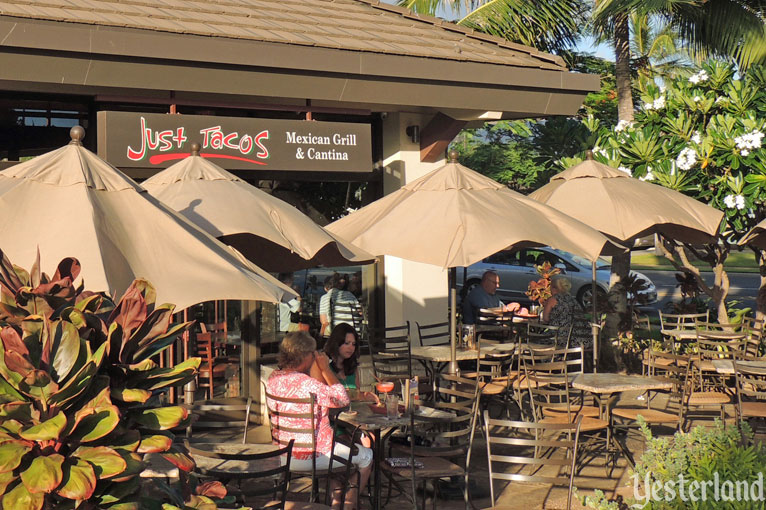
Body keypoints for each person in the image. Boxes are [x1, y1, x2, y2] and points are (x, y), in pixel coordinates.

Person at [266, 331, 372, 510]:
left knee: (343, 451)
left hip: (282, 455)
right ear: (305, 356)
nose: (317, 356)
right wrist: (325, 369)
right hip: (315, 455)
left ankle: (338, 501)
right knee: (367, 456)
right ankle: (349, 504)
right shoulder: (310, 385)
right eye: (314, 353)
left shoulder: (274, 378)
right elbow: (342, 399)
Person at [542, 275, 592, 348]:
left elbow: (545, 319)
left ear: (554, 288)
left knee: (536, 340)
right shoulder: (573, 300)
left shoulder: (553, 300)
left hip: (563, 339)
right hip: (583, 339)